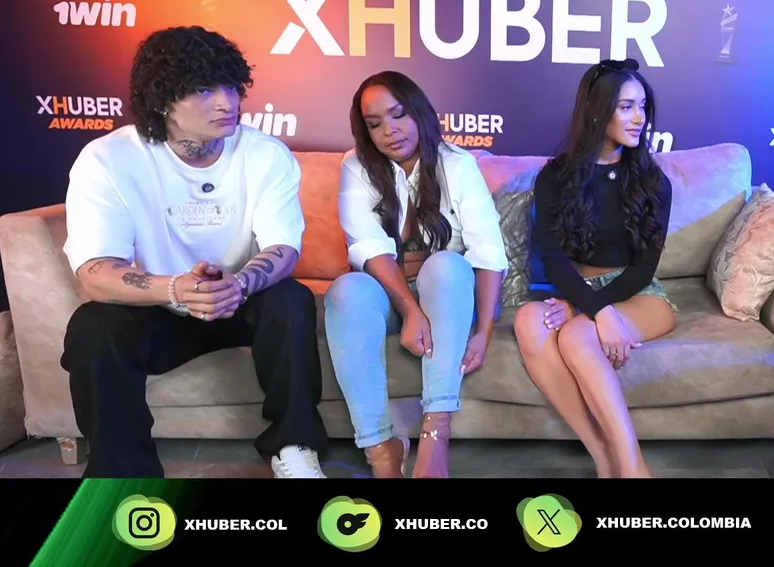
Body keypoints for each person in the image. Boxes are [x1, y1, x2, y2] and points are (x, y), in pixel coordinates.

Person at [59, 26, 328, 478]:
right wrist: (176, 289)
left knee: (290, 298)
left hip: (238, 302)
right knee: (93, 325)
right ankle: (122, 477)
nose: (226, 103)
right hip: (159, 308)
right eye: (204, 90)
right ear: (163, 99)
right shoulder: (108, 159)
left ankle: (294, 449)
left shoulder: (265, 154)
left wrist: (238, 284)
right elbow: (95, 271)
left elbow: (283, 247)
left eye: (231, 86)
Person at [324, 71, 508, 478]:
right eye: (375, 124)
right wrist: (410, 310)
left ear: (419, 112)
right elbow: (368, 246)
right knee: (347, 289)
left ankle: (435, 435)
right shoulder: (356, 166)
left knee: (447, 264)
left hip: (446, 297)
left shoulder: (457, 164)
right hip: (390, 297)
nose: (389, 131)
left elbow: (488, 251)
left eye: (398, 115)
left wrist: (484, 331)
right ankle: (381, 451)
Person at [513, 58, 677, 479]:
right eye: (626, 107)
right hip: (579, 289)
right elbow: (554, 259)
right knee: (529, 321)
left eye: (643, 106)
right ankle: (603, 458)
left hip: (638, 294)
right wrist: (591, 307)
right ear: (596, 110)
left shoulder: (653, 181)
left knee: (577, 333)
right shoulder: (556, 177)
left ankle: (634, 469)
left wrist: (590, 309)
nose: (639, 118)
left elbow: (645, 267)